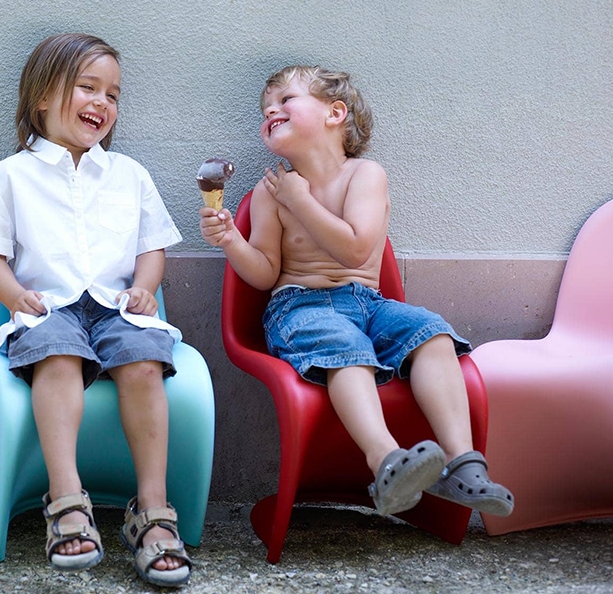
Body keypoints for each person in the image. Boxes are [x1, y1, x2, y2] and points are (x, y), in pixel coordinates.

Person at [200, 65, 514, 519]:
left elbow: (356, 249)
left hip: (370, 303)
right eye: (266, 108)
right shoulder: (270, 193)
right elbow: (266, 274)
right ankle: (387, 462)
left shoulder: (365, 175)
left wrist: (300, 199)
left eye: (285, 100)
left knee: (431, 332)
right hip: (299, 307)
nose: (271, 110)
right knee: (344, 346)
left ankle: (464, 464)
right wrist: (232, 240)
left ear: (335, 113)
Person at [0, 33, 192, 588]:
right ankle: (67, 501)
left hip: (115, 308)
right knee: (57, 356)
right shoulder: (6, 177)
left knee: (143, 361)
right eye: (88, 87)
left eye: (113, 94)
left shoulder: (129, 174)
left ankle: (152, 511)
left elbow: (150, 246)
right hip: (49, 307)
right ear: (42, 97)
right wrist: (14, 296)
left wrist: (146, 286)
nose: (102, 103)